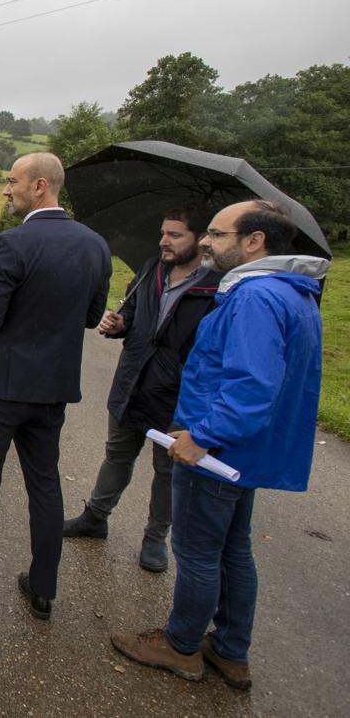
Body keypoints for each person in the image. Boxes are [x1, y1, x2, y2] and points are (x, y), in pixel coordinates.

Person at [111, 200, 327, 689]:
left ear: (254, 242)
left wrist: (202, 437)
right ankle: (230, 649)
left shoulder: (255, 297)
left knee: (197, 551)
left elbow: (251, 386)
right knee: (233, 549)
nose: (206, 242)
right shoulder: (291, 292)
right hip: (247, 451)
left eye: (217, 233)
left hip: (219, 451)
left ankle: (182, 646)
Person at [0, 152, 111, 620]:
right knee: (46, 486)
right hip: (52, 391)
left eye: (12, 181)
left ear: (40, 187)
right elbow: (92, 318)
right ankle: (42, 589)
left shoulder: (12, 244)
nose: (6, 189)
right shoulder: (95, 245)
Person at [63, 204, 221, 572]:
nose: (164, 241)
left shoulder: (216, 287)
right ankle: (95, 517)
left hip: (177, 393)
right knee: (117, 453)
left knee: (167, 469)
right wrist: (119, 325)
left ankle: (154, 538)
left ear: (199, 238)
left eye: (175, 234)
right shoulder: (151, 270)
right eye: (163, 233)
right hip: (132, 380)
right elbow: (131, 316)